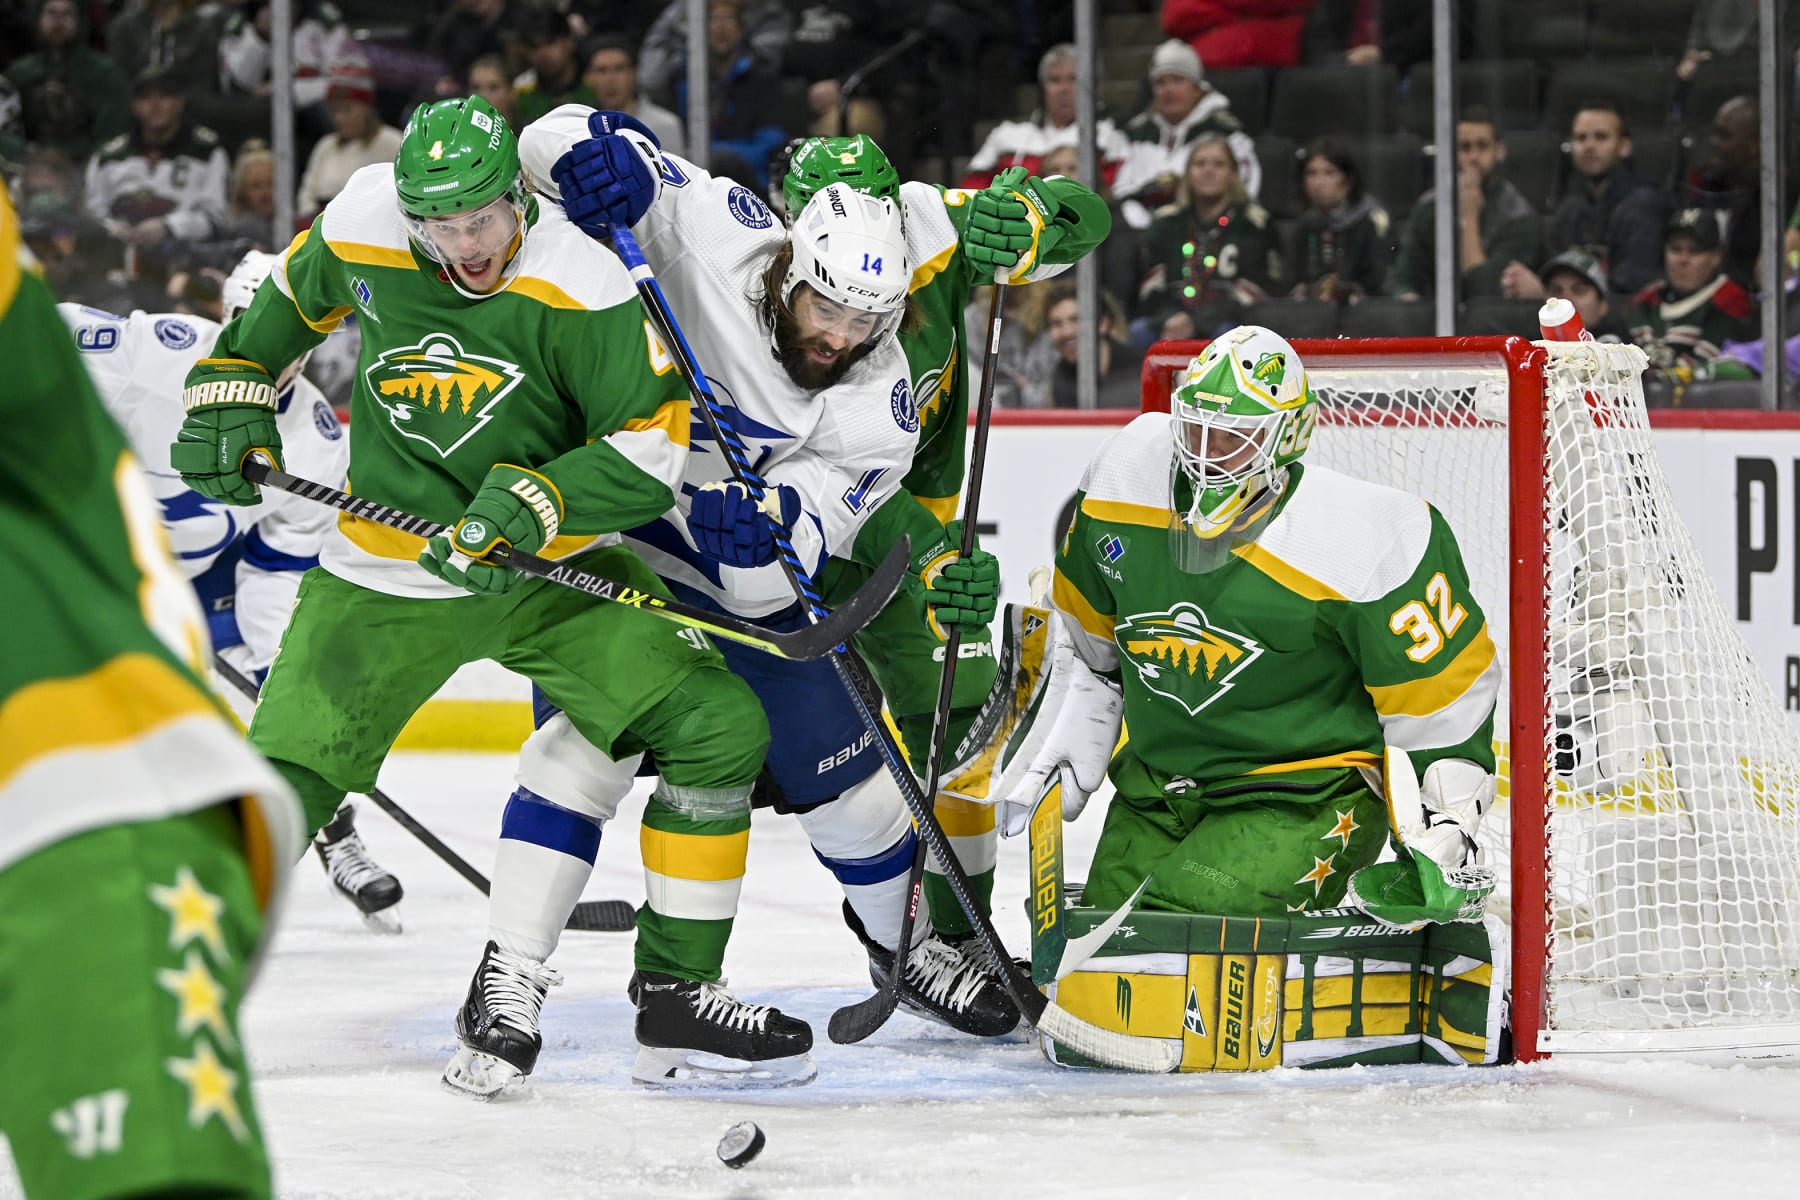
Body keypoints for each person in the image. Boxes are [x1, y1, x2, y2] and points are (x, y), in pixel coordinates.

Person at [167, 95, 794, 1093]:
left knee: (717, 725)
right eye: (440, 225)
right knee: (284, 779)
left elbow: (648, 451)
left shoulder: (581, 280)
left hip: (541, 570)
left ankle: (678, 992)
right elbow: (272, 319)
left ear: (517, 197)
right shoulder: (363, 220)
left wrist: (534, 504)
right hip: (386, 565)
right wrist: (229, 389)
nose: (464, 246)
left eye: (481, 219)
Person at [466, 112, 1028, 1094]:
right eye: (828, 311)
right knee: (588, 749)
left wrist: (758, 551)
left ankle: (911, 954)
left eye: (868, 322)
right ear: (793, 265)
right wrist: (591, 162)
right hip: (608, 539)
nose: (842, 338)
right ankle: (507, 978)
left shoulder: (878, 402)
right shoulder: (718, 225)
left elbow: (779, 579)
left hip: (723, 580)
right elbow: (549, 142)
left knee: (857, 788)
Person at [970, 325, 1500, 932]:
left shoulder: (1369, 540)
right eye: (1195, 428)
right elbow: (1089, 640)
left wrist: (1453, 827)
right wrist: (1074, 712)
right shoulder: (1123, 476)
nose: (1205, 451)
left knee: (1172, 935)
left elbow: (1444, 705)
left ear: (1288, 437)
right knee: (1103, 933)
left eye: (1232, 437)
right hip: (1160, 788)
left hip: (1302, 798)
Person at [0, 176, 303, 1200]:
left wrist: (269, 686)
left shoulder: (318, 440)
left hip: (68, 816)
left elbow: (276, 597)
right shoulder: (156, 356)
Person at [780, 134, 1111, 934]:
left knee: (957, 706)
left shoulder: (929, 227)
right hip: (787, 522)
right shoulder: (752, 274)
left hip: (907, 517)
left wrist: (1031, 216)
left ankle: (962, 934)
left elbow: (1086, 215)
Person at [56, 249, 408, 934]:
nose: (276, 351)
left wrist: (281, 675)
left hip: (205, 577)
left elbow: (276, 568)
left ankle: (335, 832)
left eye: (295, 332)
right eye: (258, 324)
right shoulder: (161, 355)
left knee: (285, 702)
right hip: (89, 562)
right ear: (228, 317)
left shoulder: (313, 440)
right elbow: (45, 333)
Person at [1500, 102, 1667, 302]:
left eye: (1601, 137)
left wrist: (1545, 296)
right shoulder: (1572, 207)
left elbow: (1629, 294)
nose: (1589, 146)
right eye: (1581, 138)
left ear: (1624, 146)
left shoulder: (1643, 206)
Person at [85, 65, 230, 286]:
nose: (155, 105)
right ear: (134, 105)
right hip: (116, 250)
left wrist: (169, 226)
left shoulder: (206, 151)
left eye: (164, 95)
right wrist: (111, 228)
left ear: (179, 102)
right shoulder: (109, 156)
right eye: (146, 97)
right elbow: (91, 211)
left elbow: (215, 216)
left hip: (180, 255)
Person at [1134, 132, 1282, 344]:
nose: (1208, 171)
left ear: (1233, 174)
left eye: (1218, 164)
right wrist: (1170, 318)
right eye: (1199, 164)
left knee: (1228, 335)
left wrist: (1197, 322)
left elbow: (1256, 290)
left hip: (1228, 322)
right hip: (1171, 322)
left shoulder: (1253, 224)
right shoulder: (1166, 223)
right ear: (1188, 173)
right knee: (1138, 332)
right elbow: (1151, 287)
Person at [1392, 106, 1540, 301]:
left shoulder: (1519, 216)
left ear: (1499, 151)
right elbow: (1405, 278)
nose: (1473, 157)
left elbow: (1485, 295)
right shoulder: (1428, 207)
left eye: (1482, 146)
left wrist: (1468, 219)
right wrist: (1410, 303)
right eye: (1465, 148)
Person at [1111, 38, 1261, 229]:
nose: (1169, 90)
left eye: (1178, 80)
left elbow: (1244, 192)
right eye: (1161, 82)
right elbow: (1120, 190)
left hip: (1209, 231)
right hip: (1138, 232)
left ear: (1197, 87)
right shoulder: (1132, 135)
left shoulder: (1227, 135)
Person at [958, 42, 1128, 192]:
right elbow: (972, 187)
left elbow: (1116, 194)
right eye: (1055, 80)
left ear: (1093, 87)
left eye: (1073, 79)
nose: (1064, 89)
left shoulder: (1109, 135)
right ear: (1042, 87)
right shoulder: (1007, 134)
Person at [1627, 207, 1756, 382]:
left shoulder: (1729, 301)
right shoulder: (1646, 301)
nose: (1683, 260)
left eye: (1694, 251)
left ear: (1716, 257)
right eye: (1675, 249)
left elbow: (1703, 367)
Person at [7, 0, 131, 162]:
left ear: (80, 21)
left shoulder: (104, 74)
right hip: (26, 166)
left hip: (87, 167)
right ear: (38, 18)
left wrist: (72, 157)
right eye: (51, 14)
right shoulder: (20, 73)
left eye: (67, 14)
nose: (58, 22)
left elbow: (114, 135)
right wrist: (30, 153)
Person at [1288, 136, 1392, 302]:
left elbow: (1381, 283)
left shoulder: (1373, 222)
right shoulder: (1304, 226)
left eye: (1329, 173)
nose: (1319, 183)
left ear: (1348, 180)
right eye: (1311, 173)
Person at [296, 61, 403, 220]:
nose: (340, 118)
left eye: (347, 109)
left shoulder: (392, 143)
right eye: (334, 110)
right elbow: (307, 195)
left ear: (367, 108)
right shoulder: (325, 146)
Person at [1676, 94, 1759, 288]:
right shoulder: (1704, 186)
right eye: (1714, 134)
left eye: (1724, 135)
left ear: (1755, 144)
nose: (1713, 142)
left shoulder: (1778, 199)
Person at [1019, 282, 1140, 408]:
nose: (1067, 332)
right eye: (1056, 323)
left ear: (1103, 323)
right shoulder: (1059, 381)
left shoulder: (1140, 372)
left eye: (1076, 319)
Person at [581, 35, 684, 154]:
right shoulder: (578, 127)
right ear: (589, 77)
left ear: (634, 73)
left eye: (619, 69)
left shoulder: (665, 125)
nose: (610, 79)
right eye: (601, 70)